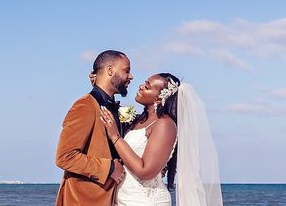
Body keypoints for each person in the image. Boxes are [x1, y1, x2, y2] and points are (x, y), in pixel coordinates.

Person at [99, 73, 223, 206]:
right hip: (124, 197)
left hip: (145, 200)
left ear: (158, 99)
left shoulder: (165, 124)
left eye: (147, 87)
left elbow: (145, 171)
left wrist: (115, 136)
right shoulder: (139, 121)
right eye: (144, 83)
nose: (140, 87)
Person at [54, 50, 134, 206]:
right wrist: (110, 168)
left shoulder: (112, 107)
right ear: (110, 70)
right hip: (83, 200)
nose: (131, 76)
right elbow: (64, 156)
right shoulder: (85, 105)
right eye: (127, 70)